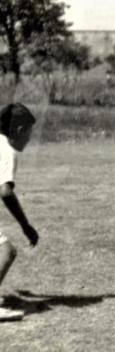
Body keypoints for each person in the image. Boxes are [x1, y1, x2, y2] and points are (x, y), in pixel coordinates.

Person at [0, 103, 40, 322]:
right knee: (7, 251)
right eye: (29, 133)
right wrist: (26, 226)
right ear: (18, 131)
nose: (29, 139)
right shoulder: (7, 150)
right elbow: (5, 192)